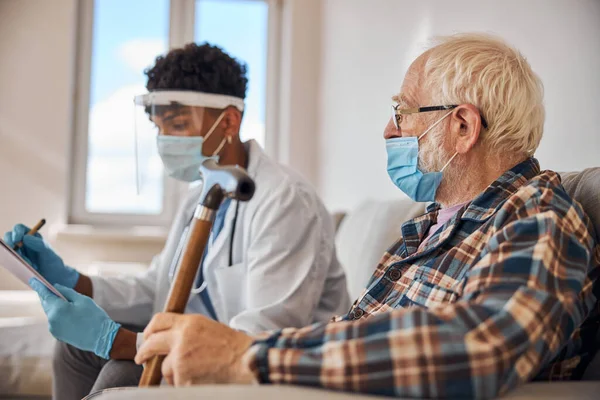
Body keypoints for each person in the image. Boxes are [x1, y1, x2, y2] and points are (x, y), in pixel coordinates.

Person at [133, 33, 600, 399]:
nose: (388, 129)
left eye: (403, 111)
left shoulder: (538, 218)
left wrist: (249, 355)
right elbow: (354, 338)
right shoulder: (427, 228)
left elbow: (481, 346)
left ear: (462, 127)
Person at [3, 43, 350, 400]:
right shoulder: (200, 197)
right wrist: (70, 279)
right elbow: (158, 290)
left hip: (267, 372)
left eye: (178, 125)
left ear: (229, 121)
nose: (164, 141)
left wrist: (118, 341)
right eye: (158, 128)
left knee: (122, 371)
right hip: (206, 349)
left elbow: (259, 338)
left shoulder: (285, 201)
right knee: (74, 350)